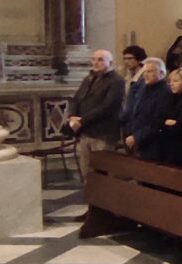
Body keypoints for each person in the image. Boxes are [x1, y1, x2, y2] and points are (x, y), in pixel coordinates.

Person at [67, 50, 126, 178]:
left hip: (102, 133)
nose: (95, 63)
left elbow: (107, 107)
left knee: (101, 171)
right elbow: (76, 99)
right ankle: (88, 190)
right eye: (93, 59)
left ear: (110, 62)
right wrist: (71, 116)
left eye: (100, 60)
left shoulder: (116, 81)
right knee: (86, 170)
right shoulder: (88, 79)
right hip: (85, 132)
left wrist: (82, 120)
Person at [125, 57, 172, 161]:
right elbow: (135, 111)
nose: (146, 75)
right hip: (137, 139)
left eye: (150, 71)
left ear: (161, 73)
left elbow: (158, 121)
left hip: (153, 144)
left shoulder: (165, 92)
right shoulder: (144, 88)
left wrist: (137, 137)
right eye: (145, 72)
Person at [159, 67, 182, 166]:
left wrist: (165, 123)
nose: (171, 84)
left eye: (175, 81)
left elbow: (179, 126)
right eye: (170, 81)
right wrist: (166, 122)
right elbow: (156, 120)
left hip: (178, 148)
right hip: (163, 145)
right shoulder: (168, 99)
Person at [119, 44, 147, 131]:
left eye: (130, 58)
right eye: (125, 59)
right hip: (127, 120)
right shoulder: (128, 77)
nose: (126, 62)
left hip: (136, 121)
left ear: (139, 59)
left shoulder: (144, 78)